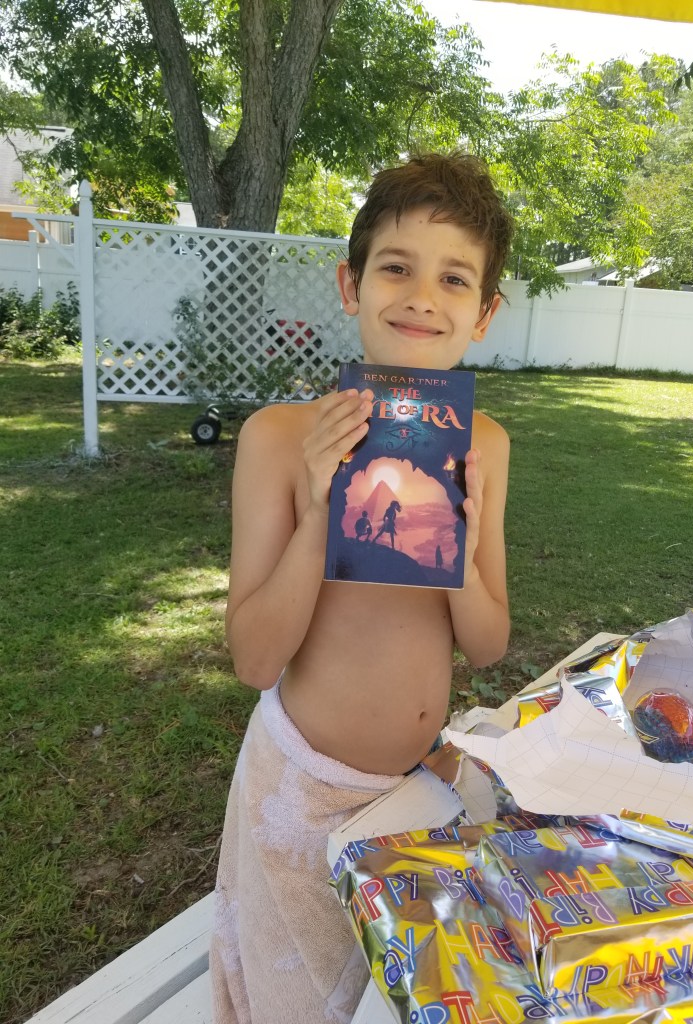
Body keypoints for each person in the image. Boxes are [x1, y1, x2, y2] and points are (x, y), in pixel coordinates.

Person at [210, 152, 513, 1024]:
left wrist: (459, 544)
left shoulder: (484, 446)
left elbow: (487, 645)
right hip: (299, 792)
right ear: (351, 285)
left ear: (484, 313)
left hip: (413, 794)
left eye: (454, 278)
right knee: (299, 1002)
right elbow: (254, 659)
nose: (422, 297)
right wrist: (319, 509)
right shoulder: (278, 438)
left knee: (382, 1001)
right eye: (396, 267)